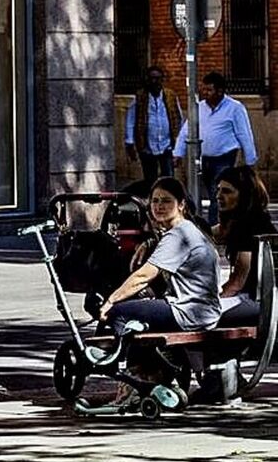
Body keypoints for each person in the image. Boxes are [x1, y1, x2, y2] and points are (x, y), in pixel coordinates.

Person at [100, 176, 220, 336]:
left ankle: (129, 359)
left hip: (189, 312)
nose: (159, 206)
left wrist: (111, 300)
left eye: (166, 201)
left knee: (118, 313)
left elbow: (143, 276)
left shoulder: (179, 235)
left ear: (181, 205)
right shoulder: (185, 229)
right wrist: (149, 243)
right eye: (155, 201)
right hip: (200, 310)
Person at [174, 72, 257, 224]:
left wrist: (250, 160)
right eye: (203, 90)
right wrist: (178, 152)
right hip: (203, 158)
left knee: (216, 194)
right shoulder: (199, 108)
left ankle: (216, 226)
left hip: (224, 158)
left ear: (220, 91)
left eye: (209, 90)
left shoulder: (235, 108)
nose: (205, 93)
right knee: (198, 193)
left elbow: (244, 133)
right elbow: (187, 130)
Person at [214, 165, 276, 318]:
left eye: (227, 191)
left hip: (259, 303)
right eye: (218, 190)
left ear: (244, 195)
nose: (218, 196)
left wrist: (212, 301)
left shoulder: (249, 226)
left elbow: (236, 283)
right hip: (261, 300)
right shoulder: (253, 220)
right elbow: (208, 232)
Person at [124, 66, 182, 187]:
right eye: (152, 79)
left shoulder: (171, 96)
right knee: (151, 180)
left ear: (162, 80)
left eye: (158, 79)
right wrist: (129, 142)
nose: (154, 82)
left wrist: (179, 145)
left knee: (169, 179)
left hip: (167, 145)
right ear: (147, 80)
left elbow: (178, 118)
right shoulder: (140, 97)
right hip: (147, 146)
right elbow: (130, 120)